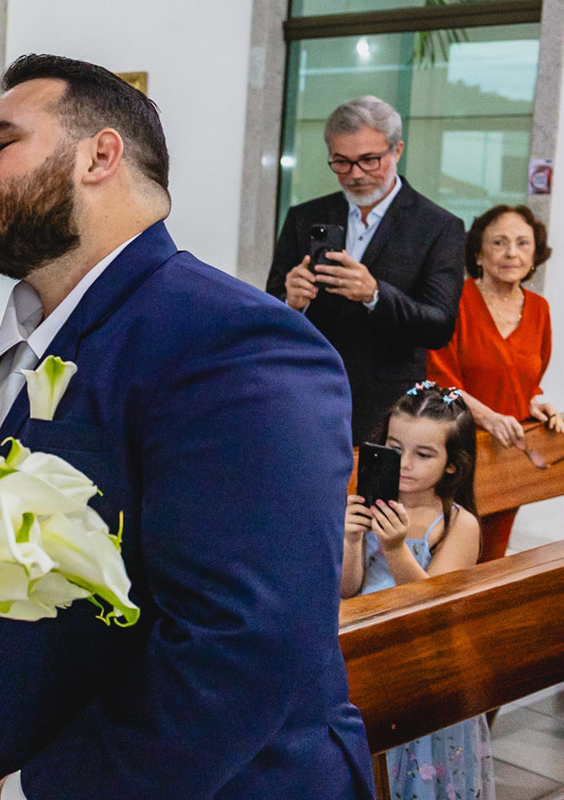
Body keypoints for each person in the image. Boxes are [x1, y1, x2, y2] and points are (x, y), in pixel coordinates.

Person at [0, 54, 374, 800]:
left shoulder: (231, 341)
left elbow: (242, 643)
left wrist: (44, 791)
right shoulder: (13, 337)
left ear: (99, 156)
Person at [267, 96, 464, 445]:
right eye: (341, 162)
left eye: (369, 160)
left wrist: (375, 295)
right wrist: (290, 302)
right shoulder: (305, 218)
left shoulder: (437, 226)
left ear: (397, 150)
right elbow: (268, 316)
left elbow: (439, 326)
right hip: (306, 394)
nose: (355, 174)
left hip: (387, 409)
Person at [342, 381, 494, 799]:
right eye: (395, 447)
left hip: (423, 670)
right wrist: (352, 541)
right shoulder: (368, 505)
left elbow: (432, 606)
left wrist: (394, 549)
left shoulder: (457, 524)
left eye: (424, 454)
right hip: (366, 657)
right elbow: (346, 592)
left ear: (451, 465)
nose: (404, 464)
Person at [427, 205, 564, 561]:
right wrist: (489, 417)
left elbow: (527, 376)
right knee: (445, 559)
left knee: (492, 558)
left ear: (535, 255)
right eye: (499, 242)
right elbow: (439, 381)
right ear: (478, 253)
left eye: (522, 243)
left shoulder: (540, 308)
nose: (511, 253)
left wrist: (536, 401)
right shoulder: (455, 300)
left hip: (507, 458)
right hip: (453, 454)